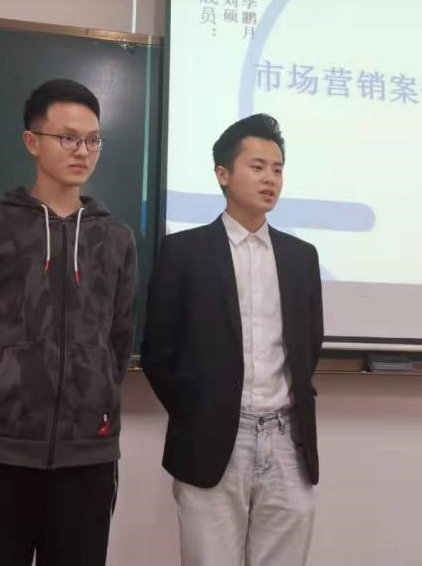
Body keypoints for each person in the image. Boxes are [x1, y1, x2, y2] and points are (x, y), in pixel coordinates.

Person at [0, 78, 138, 566]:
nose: (82, 151)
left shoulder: (116, 239)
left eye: (93, 140)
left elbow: (118, 339)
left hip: (88, 457)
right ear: (32, 141)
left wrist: (93, 399)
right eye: (67, 138)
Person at [142, 113, 324, 566]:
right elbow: (159, 353)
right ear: (223, 174)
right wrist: (198, 411)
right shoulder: (184, 252)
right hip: (214, 439)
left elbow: (308, 346)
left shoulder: (301, 257)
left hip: (287, 440)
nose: (270, 179)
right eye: (257, 167)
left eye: (277, 169)